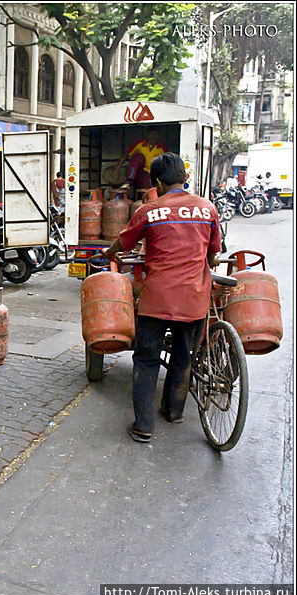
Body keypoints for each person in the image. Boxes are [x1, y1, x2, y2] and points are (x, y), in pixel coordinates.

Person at [103, 153, 222, 443]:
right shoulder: (207, 209)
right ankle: (173, 412)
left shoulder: (149, 210)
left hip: (157, 299)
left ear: (157, 181)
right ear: (185, 177)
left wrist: (110, 253)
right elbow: (214, 255)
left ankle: (143, 426)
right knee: (183, 355)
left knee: (146, 359)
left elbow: (125, 241)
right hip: (194, 299)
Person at [116, 129, 168, 194]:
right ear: (147, 135)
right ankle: (129, 181)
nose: (153, 137)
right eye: (152, 134)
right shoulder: (140, 144)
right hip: (138, 171)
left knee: (147, 189)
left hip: (151, 174)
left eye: (156, 134)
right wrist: (117, 167)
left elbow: (167, 162)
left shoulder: (162, 148)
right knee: (138, 156)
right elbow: (127, 154)